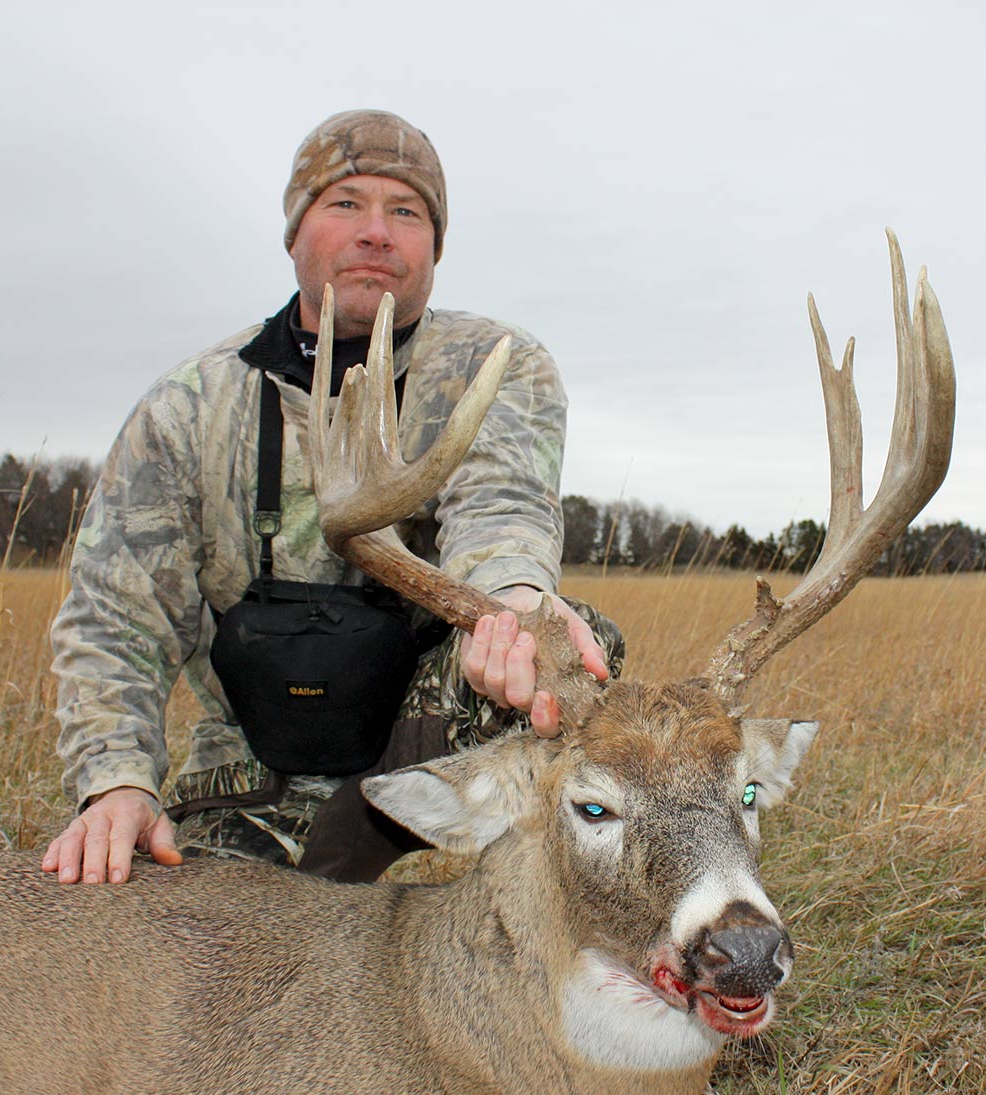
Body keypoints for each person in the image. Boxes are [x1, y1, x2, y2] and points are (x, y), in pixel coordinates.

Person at [43, 110, 619, 887]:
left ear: (435, 247)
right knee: (197, 953)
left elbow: (502, 504)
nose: (376, 232)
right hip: (252, 774)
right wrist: (116, 782)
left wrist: (515, 603)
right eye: (345, 203)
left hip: (431, 747)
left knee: (576, 642)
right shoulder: (191, 405)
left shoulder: (493, 366)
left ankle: (472, 873)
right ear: (296, 232)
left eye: (406, 212)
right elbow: (115, 614)